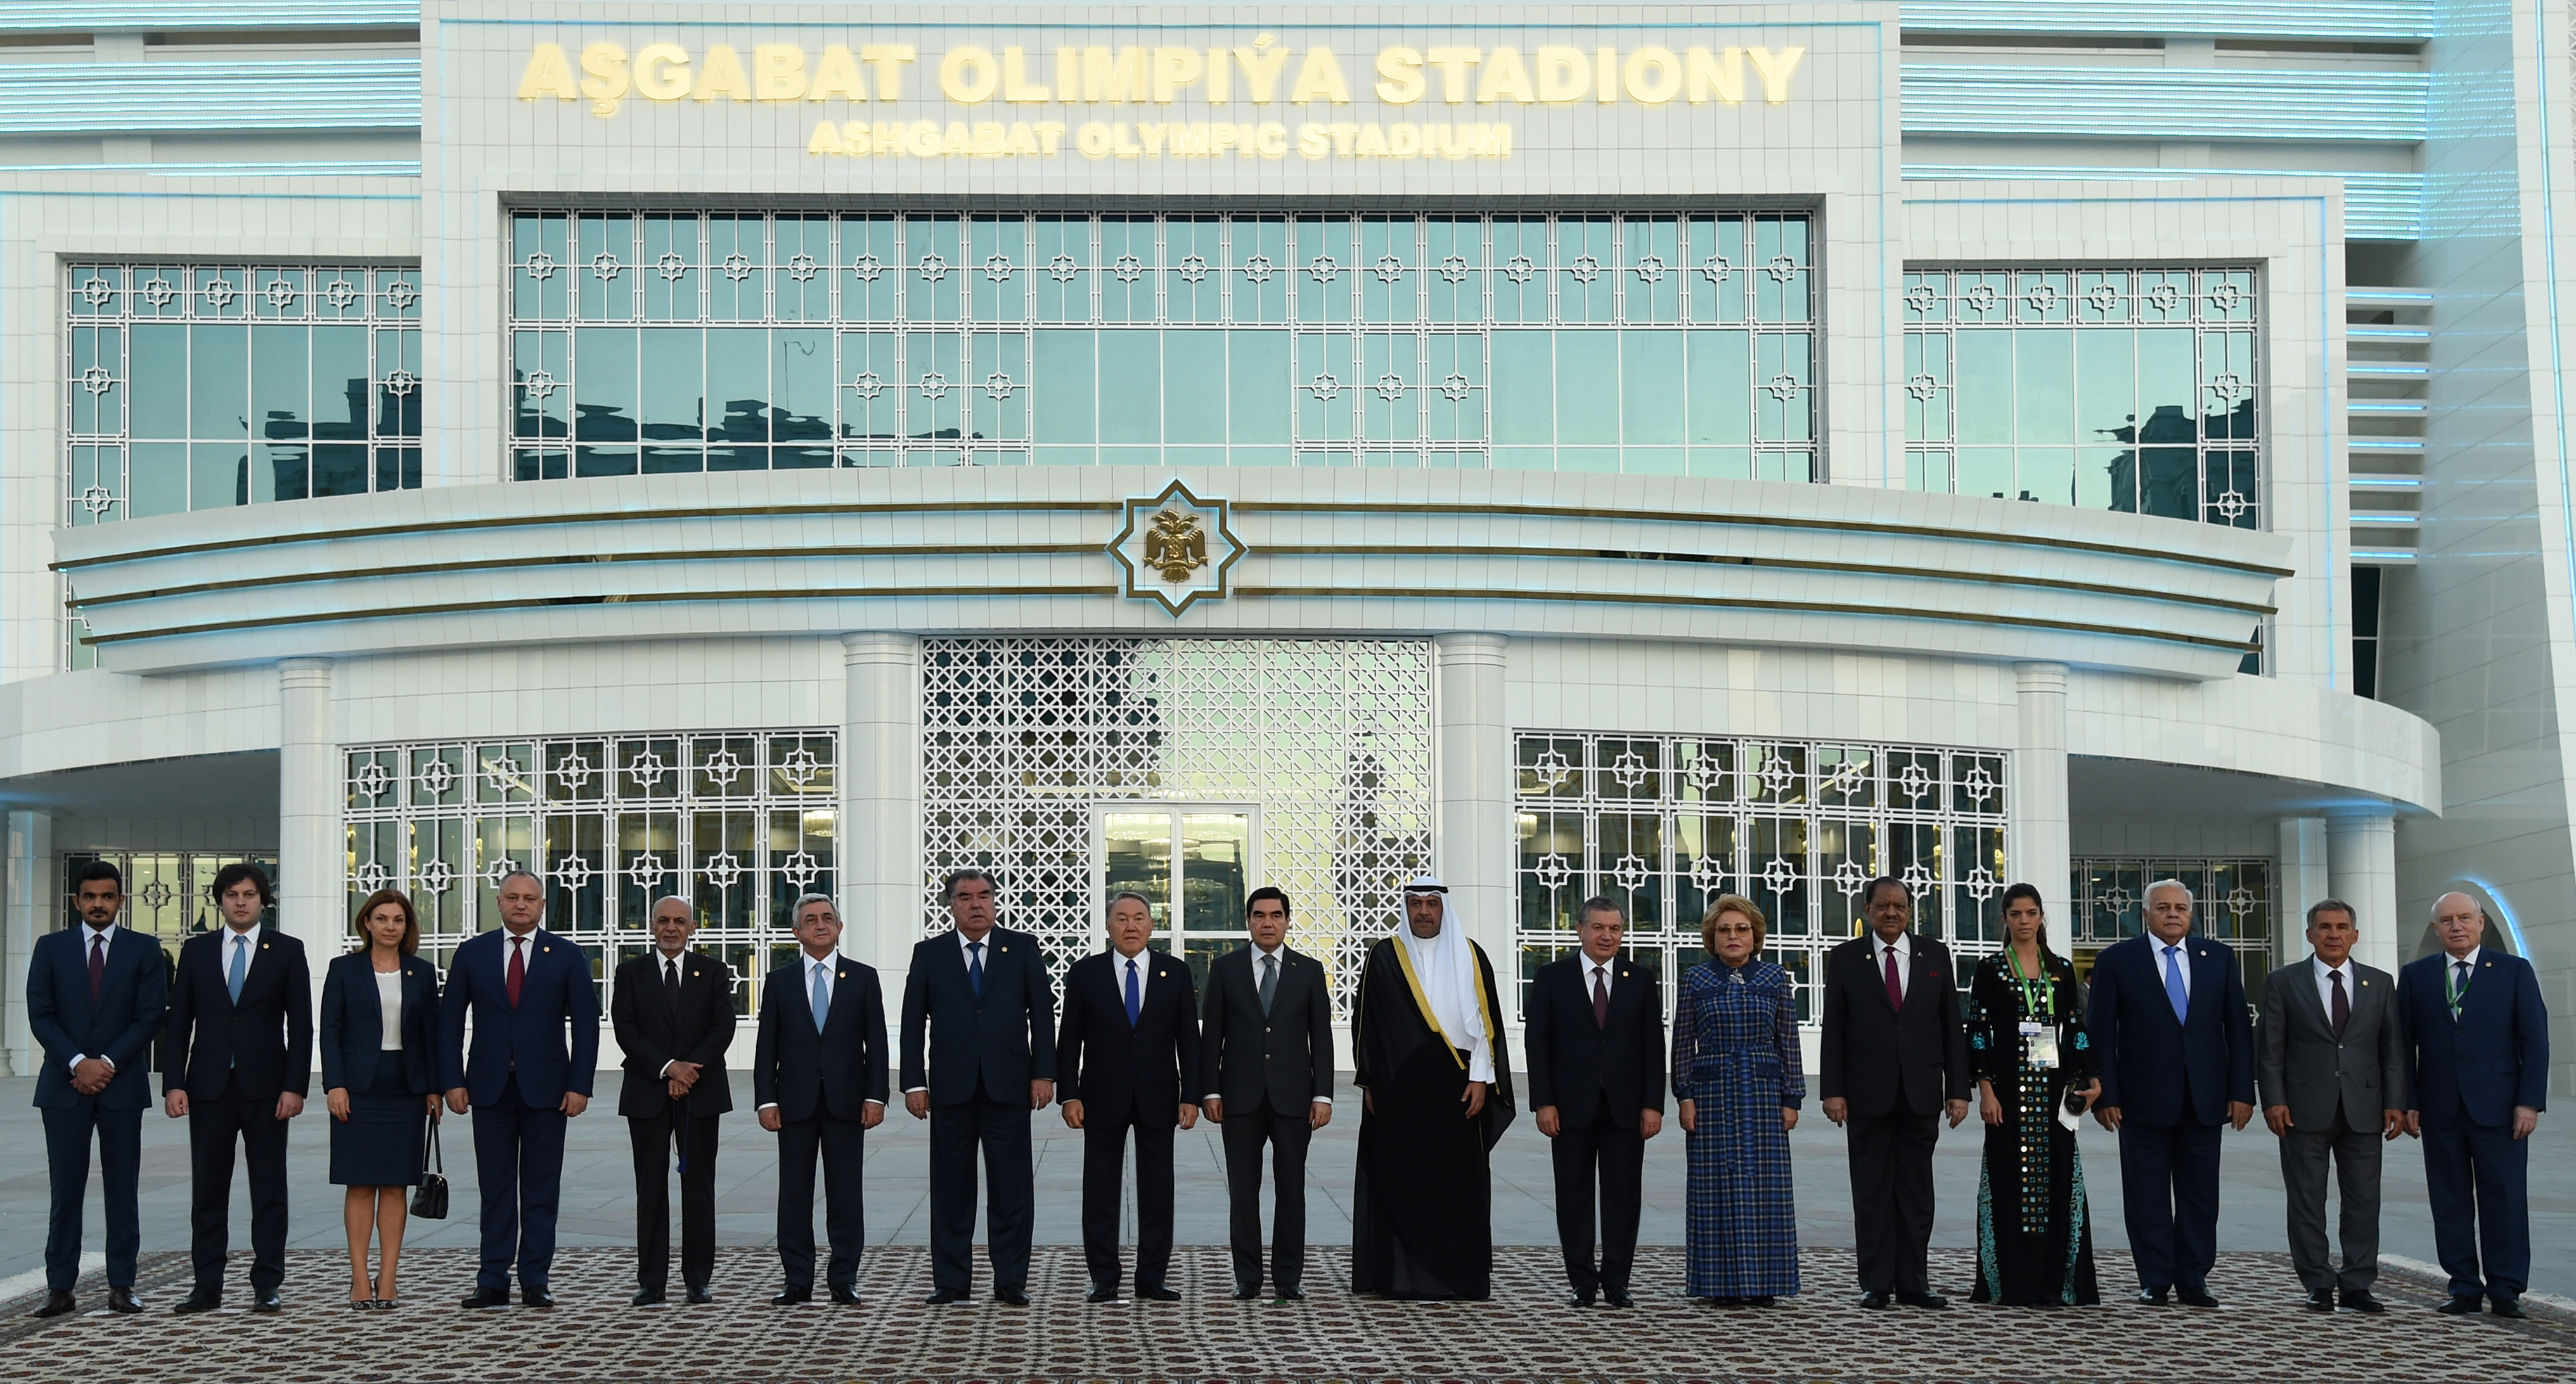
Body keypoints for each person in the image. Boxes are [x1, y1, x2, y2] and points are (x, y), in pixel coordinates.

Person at [2087, 878, 2253, 1307]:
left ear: (2191, 912)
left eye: (2180, 907)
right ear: (2145, 913)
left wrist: (2242, 1091)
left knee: (2201, 1194)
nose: (2173, 914)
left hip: (2205, 1098)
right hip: (2140, 1101)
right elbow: (2101, 1034)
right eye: (2163, 907)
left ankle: (2194, 1277)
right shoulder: (2118, 961)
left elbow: (2238, 1029)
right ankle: (2155, 1277)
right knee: (2146, 1195)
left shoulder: (2217, 957)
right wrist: (2106, 1095)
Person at [438, 869, 600, 1309]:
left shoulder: (566, 955)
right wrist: (452, 1079)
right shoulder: (472, 954)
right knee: (495, 1189)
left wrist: (579, 1084)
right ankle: (492, 1280)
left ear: (542, 904)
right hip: (488, 1090)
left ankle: (535, 1279)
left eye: (529, 898)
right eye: (512, 897)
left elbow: (586, 1026)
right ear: (499, 902)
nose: (521, 904)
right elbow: (449, 1023)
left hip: (548, 1091)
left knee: (541, 1189)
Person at [1349, 875, 1516, 1300]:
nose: (1424, 911)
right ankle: (1399, 1277)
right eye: (1416, 903)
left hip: (1456, 1089)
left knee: (1455, 1184)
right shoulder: (1384, 956)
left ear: (1444, 907)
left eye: (1432, 903)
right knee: (1398, 1179)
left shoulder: (1471, 955)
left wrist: (1481, 1078)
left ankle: (1456, 1275)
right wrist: (1369, 1080)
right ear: (1405, 908)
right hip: (1398, 1091)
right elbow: (1367, 1023)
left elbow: (1485, 1027)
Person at [900, 868, 1057, 1306]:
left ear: (994, 900)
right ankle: (951, 1282)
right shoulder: (930, 954)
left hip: (1009, 1087)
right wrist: (914, 1082)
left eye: (984, 895)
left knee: (1011, 1190)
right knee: (952, 1191)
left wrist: (1044, 1073)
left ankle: (1011, 1279)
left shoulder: (1021, 948)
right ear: (951, 905)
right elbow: (913, 1022)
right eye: (965, 897)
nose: (976, 904)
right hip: (951, 1090)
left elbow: (1042, 1016)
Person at [162, 862, 311, 1314]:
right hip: (209, 1086)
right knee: (209, 1191)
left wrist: (295, 1087)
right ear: (220, 900)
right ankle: (206, 1286)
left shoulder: (286, 950)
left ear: (263, 901)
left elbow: (301, 1026)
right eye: (232, 895)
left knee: (269, 1189)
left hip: (267, 1089)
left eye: (249, 894)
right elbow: (178, 1023)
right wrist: (173, 1083)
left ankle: (267, 1283)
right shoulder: (197, 951)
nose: (240, 902)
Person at [1819, 876, 1971, 1309]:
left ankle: (1914, 1281)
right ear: (1867, 910)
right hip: (1867, 1094)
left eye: (1899, 906)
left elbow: (1950, 1029)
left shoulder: (1935, 955)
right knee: (1872, 1190)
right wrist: (1833, 1091)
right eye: (1882, 906)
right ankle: (1876, 1281)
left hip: (1921, 1093)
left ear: (1909, 911)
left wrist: (1958, 1091)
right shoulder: (1846, 958)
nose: (1891, 913)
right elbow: (1835, 1030)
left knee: (1916, 1191)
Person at [26, 859, 167, 1318]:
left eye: (107, 896)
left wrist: (104, 1064)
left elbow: (149, 1017)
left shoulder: (144, 950)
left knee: (122, 1189)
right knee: (65, 1190)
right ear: (77, 902)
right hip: (63, 1087)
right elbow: (41, 1014)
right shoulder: (50, 948)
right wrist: (77, 1063)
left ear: (121, 901)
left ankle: (122, 1285)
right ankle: (60, 1288)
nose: (98, 904)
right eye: (90, 897)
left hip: (121, 1085)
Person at [2399, 891, 2549, 1317]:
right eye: (2447, 921)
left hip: (2500, 1109)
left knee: (2504, 1198)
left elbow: (2534, 1041)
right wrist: (2409, 1100)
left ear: (2481, 923)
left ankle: (2506, 1289)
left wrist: (2529, 1102)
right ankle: (2463, 1285)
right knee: (2449, 1200)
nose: (2456, 926)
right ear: (2436, 929)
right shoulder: (2416, 976)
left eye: (2465, 918)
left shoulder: (2513, 971)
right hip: (2439, 1107)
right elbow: (2402, 1044)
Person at [2257, 897, 2404, 1314]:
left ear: (2355, 935)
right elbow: (2269, 1050)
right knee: (2306, 1200)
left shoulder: (2379, 983)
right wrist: (2274, 1101)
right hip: (2303, 1109)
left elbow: (2392, 1050)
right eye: (2324, 927)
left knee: (2363, 1202)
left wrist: (2396, 1102)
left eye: (2342, 927)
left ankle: (2358, 1283)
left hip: (2365, 1109)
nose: (2334, 935)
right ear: (2310, 935)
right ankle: (2318, 1282)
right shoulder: (2284, 982)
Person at [1057, 892, 1202, 1302]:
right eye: (1121, 918)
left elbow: (1189, 1041)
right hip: (1101, 1097)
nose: (1131, 926)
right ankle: (1104, 1277)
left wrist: (1191, 1095)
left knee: (1158, 1191)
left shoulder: (1174, 973)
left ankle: (1152, 1277)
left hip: (1159, 1097)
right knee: (1100, 1191)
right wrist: (1069, 1094)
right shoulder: (1086, 974)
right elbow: (1069, 1041)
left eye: (1139, 918)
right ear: (1108, 926)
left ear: (1152, 926)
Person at [1526, 894, 1666, 1308]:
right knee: (1574, 1195)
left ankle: (1617, 1282)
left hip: (1625, 1108)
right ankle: (1583, 1282)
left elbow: (1652, 1047)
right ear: (1580, 930)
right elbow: (1538, 1045)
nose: (1607, 936)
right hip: (1569, 1108)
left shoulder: (1639, 979)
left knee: (1623, 1198)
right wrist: (1543, 1103)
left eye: (1616, 929)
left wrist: (1653, 1105)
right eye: (1599, 928)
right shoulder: (1552, 977)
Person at [1966, 883, 2101, 1307]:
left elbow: (2076, 1028)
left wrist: (2090, 1079)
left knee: (2058, 1180)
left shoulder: (2060, 968)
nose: (2024, 921)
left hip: (2053, 1091)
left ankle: (2056, 1281)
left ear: (2042, 917)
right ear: (2004, 920)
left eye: (2031, 913)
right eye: (2015, 914)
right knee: (2009, 1180)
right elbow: (1979, 1033)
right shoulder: (1989, 969)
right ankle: (2012, 1281)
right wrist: (1985, 1090)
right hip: (2007, 1090)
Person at [1199, 885, 1334, 1301]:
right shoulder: (1225, 969)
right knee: (1244, 1190)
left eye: (1276, 915)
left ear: (1288, 921)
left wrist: (1323, 1095)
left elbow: (1322, 1038)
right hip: (1240, 1098)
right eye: (1259, 916)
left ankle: (1288, 1277)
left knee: (1290, 1188)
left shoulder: (1309, 971)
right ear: (1248, 922)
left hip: (1294, 1097)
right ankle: (1248, 1277)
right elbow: (1212, 1038)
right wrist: (1210, 1091)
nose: (1268, 923)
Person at [754, 894, 888, 1306]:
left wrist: (875, 1095)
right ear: (797, 932)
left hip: (847, 1103)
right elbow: (766, 1048)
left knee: (846, 1195)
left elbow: (877, 1044)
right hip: (794, 1103)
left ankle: (843, 1278)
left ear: (839, 928)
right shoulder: (779, 981)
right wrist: (765, 1101)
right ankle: (797, 1280)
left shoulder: (863, 978)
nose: (820, 924)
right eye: (810, 920)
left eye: (828, 918)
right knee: (793, 1196)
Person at [1672, 895, 1803, 1306]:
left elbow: (1789, 1041)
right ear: (1712, 936)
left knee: (1766, 1188)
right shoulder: (1696, 980)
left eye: (1741, 929)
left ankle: (1765, 1283)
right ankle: (1720, 1284)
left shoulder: (1775, 978)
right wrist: (1685, 1096)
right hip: (1712, 1093)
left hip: (1763, 1093)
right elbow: (1681, 1044)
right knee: (1716, 1187)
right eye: (1725, 930)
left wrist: (1792, 1096)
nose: (1733, 936)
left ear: (1755, 935)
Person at [612, 895, 739, 1306]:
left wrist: (689, 1070)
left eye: (680, 921)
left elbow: (723, 1027)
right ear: (651, 925)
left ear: (692, 928)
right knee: (650, 1189)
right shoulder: (630, 972)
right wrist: (668, 1067)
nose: (671, 928)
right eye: (664, 921)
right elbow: (626, 1029)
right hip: (647, 1092)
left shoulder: (714, 972)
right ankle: (651, 1281)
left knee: (698, 1189)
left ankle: (697, 1279)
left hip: (701, 1094)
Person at [320, 888, 442, 1309]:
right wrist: (334, 1084)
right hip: (357, 1090)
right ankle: (358, 1277)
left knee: (394, 1186)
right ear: (366, 923)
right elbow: (330, 1031)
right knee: (359, 1184)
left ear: (407, 927)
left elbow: (431, 1035)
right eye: (383, 918)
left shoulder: (422, 973)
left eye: (399, 920)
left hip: (406, 1089)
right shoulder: (343, 969)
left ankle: (387, 1276)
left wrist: (434, 1088)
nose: (391, 926)